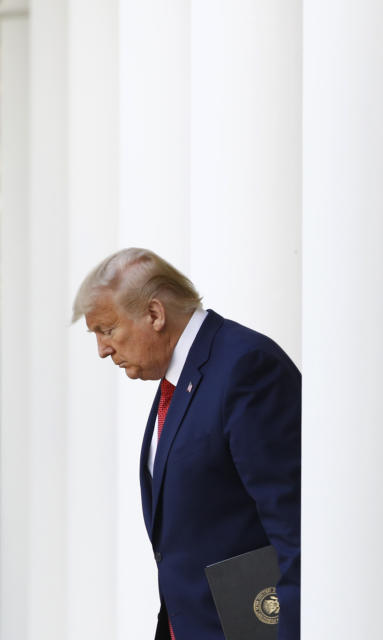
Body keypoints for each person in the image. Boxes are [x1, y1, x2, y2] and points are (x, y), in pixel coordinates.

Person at [73, 248, 301, 640]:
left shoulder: (245, 367)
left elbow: (293, 527)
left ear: (155, 315)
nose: (102, 350)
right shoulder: (179, 381)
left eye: (107, 330)